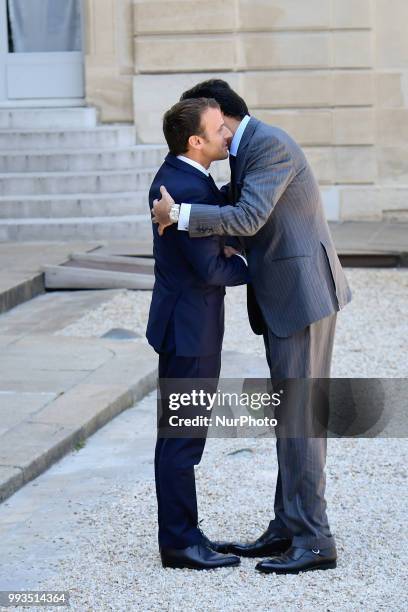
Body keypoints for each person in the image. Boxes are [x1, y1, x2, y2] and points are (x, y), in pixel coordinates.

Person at [152, 79, 352, 575]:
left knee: (301, 417)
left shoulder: (269, 146)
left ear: (227, 117)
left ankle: (313, 539)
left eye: (218, 123)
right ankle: (288, 526)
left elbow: (246, 216)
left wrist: (178, 214)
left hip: (302, 296)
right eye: (209, 127)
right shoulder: (246, 149)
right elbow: (231, 200)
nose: (217, 133)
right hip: (287, 298)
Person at [147, 97, 249, 570]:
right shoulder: (186, 188)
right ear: (196, 141)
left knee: (179, 437)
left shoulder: (188, 179)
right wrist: (254, 266)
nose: (228, 133)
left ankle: (183, 534)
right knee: (183, 439)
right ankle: (181, 544)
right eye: (219, 128)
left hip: (184, 325)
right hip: (189, 330)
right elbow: (211, 269)